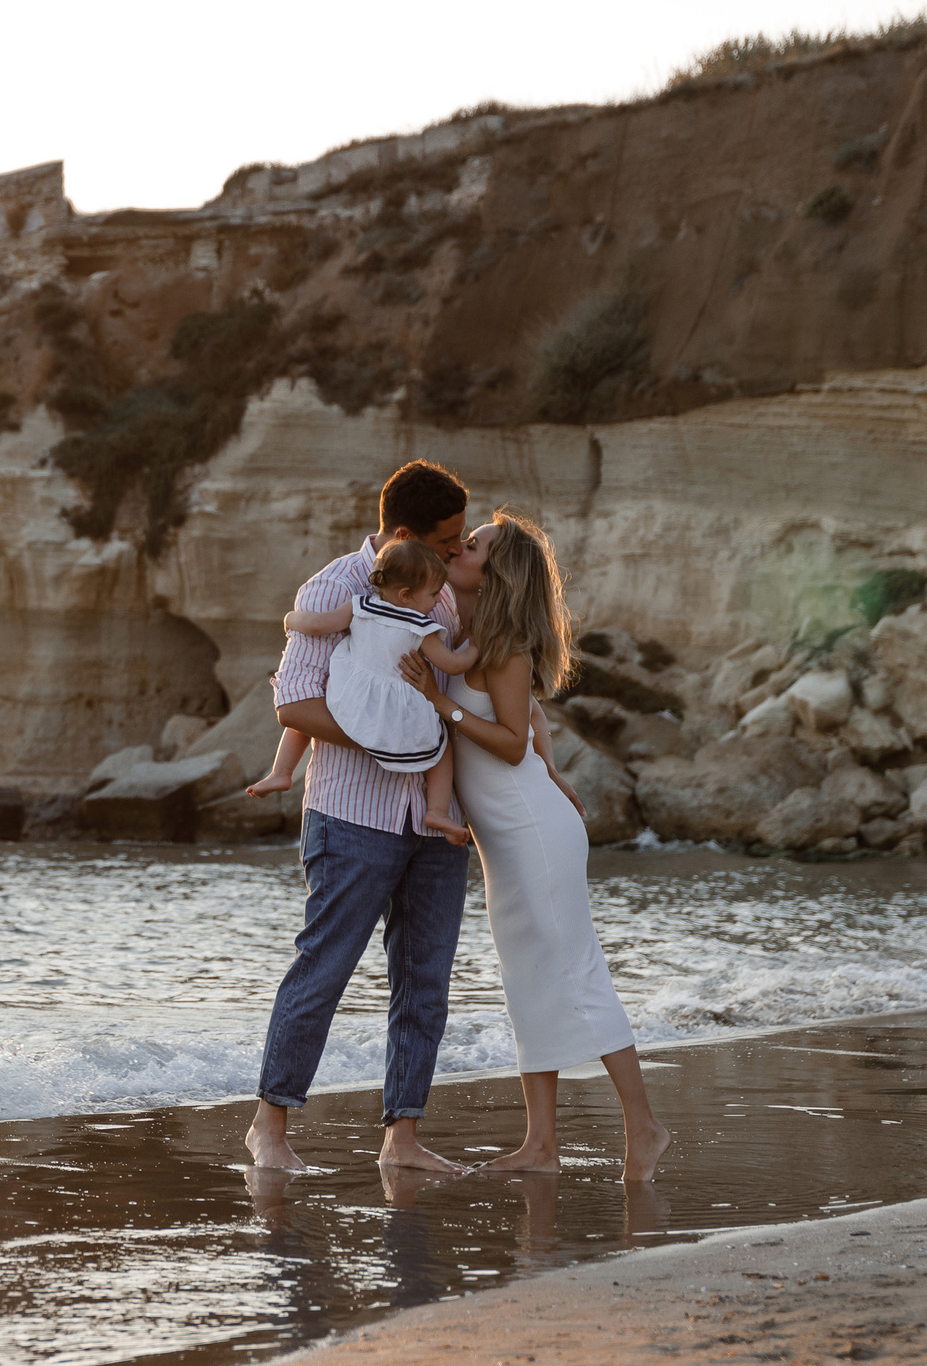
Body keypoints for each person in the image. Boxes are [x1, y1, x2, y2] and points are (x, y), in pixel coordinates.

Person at [399, 509, 673, 1184]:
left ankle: (646, 1127)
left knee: (576, 972)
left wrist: (440, 703)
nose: (461, 546)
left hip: (534, 833)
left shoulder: (508, 643)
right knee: (526, 984)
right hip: (508, 838)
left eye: (475, 544)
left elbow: (510, 737)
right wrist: (550, 766)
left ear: (496, 571)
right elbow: (535, 725)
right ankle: (540, 1143)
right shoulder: (471, 637)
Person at [244, 459, 475, 1175]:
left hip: (432, 819)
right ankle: (269, 1127)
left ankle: (402, 1138)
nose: (455, 555)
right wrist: (393, 735)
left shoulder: (440, 599)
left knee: (425, 978)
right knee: (325, 966)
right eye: (446, 542)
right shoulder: (334, 588)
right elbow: (295, 703)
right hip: (352, 815)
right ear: (402, 533)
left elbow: (443, 685)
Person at [248, 537, 479, 845]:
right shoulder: (419, 627)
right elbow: (451, 664)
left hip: (352, 691)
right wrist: (476, 646)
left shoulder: (360, 605)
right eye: (434, 594)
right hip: (393, 707)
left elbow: (320, 625)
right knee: (440, 746)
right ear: (407, 595)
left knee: (310, 715)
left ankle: (281, 772)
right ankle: (437, 810)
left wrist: (291, 619)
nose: (438, 601)